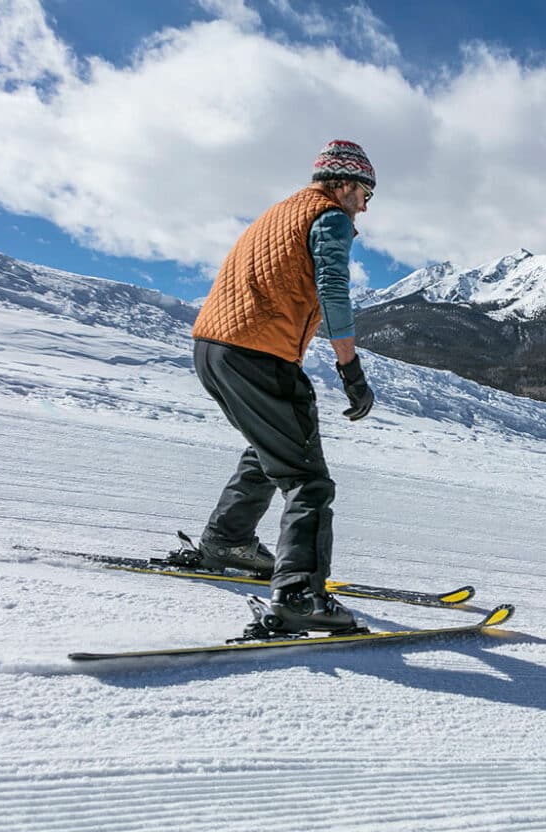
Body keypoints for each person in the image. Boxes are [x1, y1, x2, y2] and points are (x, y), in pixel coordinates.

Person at [185, 139, 377, 632]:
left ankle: (227, 541)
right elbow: (334, 289)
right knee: (308, 479)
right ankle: (299, 594)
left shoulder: (280, 212)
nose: (364, 207)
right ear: (343, 184)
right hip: (257, 354)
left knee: (271, 446)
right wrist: (350, 371)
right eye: (364, 195)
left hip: (211, 348)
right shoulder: (329, 216)